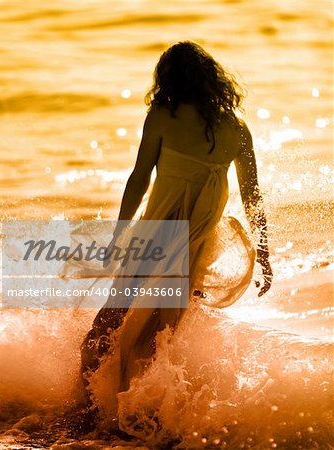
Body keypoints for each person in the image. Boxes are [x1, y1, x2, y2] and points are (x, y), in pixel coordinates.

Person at [80, 40, 273, 411]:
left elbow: (139, 178)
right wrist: (263, 253)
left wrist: (120, 233)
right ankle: (154, 411)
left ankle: (87, 407)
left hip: (155, 236)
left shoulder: (162, 117)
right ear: (212, 80)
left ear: (167, 80)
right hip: (197, 245)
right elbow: (253, 199)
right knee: (161, 333)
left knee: (110, 319)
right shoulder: (237, 130)